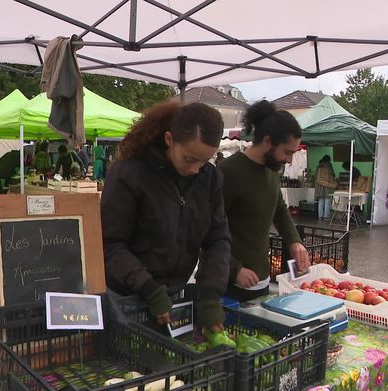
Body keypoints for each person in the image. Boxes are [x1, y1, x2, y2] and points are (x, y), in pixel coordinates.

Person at [101, 101, 230, 332]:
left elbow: (218, 239)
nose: (196, 169)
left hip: (173, 295)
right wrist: (147, 287)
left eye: (205, 161)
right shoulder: (129, 174)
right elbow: (110, 243)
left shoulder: (210, 179)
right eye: (190, 159)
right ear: (169, 139)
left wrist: (210, 293)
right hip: (126, 297)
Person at [217, 100, 310, 302]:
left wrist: (294, 241)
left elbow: (279, 209)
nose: (289, 161)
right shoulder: (228, 172)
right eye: (287, 152)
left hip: (260, 282)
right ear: (267, 141)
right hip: (226, 285)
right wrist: (234, 269)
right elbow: (205, 229)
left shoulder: (271, 170)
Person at [315, 155, 336, 220]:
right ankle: (326, 216)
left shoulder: (319, 166)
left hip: (319, 186)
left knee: (321, 201)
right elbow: (332, 175)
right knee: (327, 200)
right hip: (327, 186)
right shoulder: (328, 166)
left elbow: (316, 176)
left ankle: (320, 216)